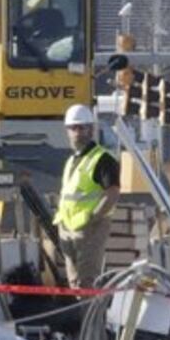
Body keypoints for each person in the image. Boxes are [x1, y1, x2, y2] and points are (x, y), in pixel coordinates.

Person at [51, 102, 115, 287]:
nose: (77, 132)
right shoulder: (72, 160)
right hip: (68, 228)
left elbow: (112, 193)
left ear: (91, 129)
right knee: (74, 281)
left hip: (89, 228)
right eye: (73, 128)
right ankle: (81, 306)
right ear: (67, 131)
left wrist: (93, 217)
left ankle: (90, 307)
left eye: (82, 127)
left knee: (87, 280)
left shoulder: (102, 159)